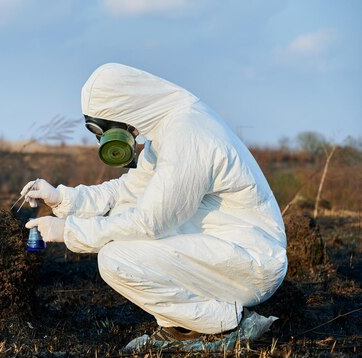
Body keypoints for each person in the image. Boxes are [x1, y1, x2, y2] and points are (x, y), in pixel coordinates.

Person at [21, 63, 287, 341]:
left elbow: (149, 223)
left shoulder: (188, 135)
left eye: (108, 127)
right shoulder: (167, 131)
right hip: (226, 246)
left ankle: (225, 323)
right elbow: (126, 192)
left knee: (115, 259)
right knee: (124, 221)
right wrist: (61, 197)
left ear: (124, 106)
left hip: (252, 261)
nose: (112, 138)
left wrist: (68, 232)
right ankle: (187, 324)